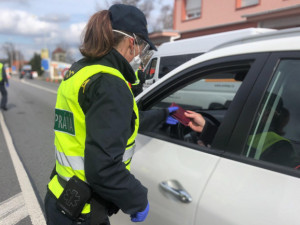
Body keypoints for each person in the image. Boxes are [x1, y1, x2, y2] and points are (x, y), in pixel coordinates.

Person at [44, 4, 176, 225]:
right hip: (83, 213)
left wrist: (161, 116)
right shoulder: (110, 83)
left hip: (59, 196)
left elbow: (109, 124)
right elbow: (102, 168)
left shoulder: (80, 71)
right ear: (131, 42)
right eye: (143, 45)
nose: (141, 52)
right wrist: (137, 199)